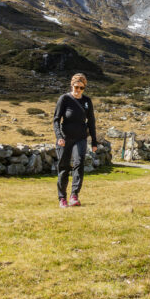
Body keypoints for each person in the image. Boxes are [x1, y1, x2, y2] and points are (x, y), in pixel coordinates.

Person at [52, 72, 98, 207]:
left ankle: (74, 196)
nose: (78, 90)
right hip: (65, 138)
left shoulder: (87, 101)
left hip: (81, 138)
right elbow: (56, 120)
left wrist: (94, 141)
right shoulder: (64, 99)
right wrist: (59, 137)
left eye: (81, 88)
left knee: (79, 164)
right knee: (64, 167)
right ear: (71, 85)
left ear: (84, 88)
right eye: (76, 86)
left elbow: (91, 122)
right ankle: (62, 198)